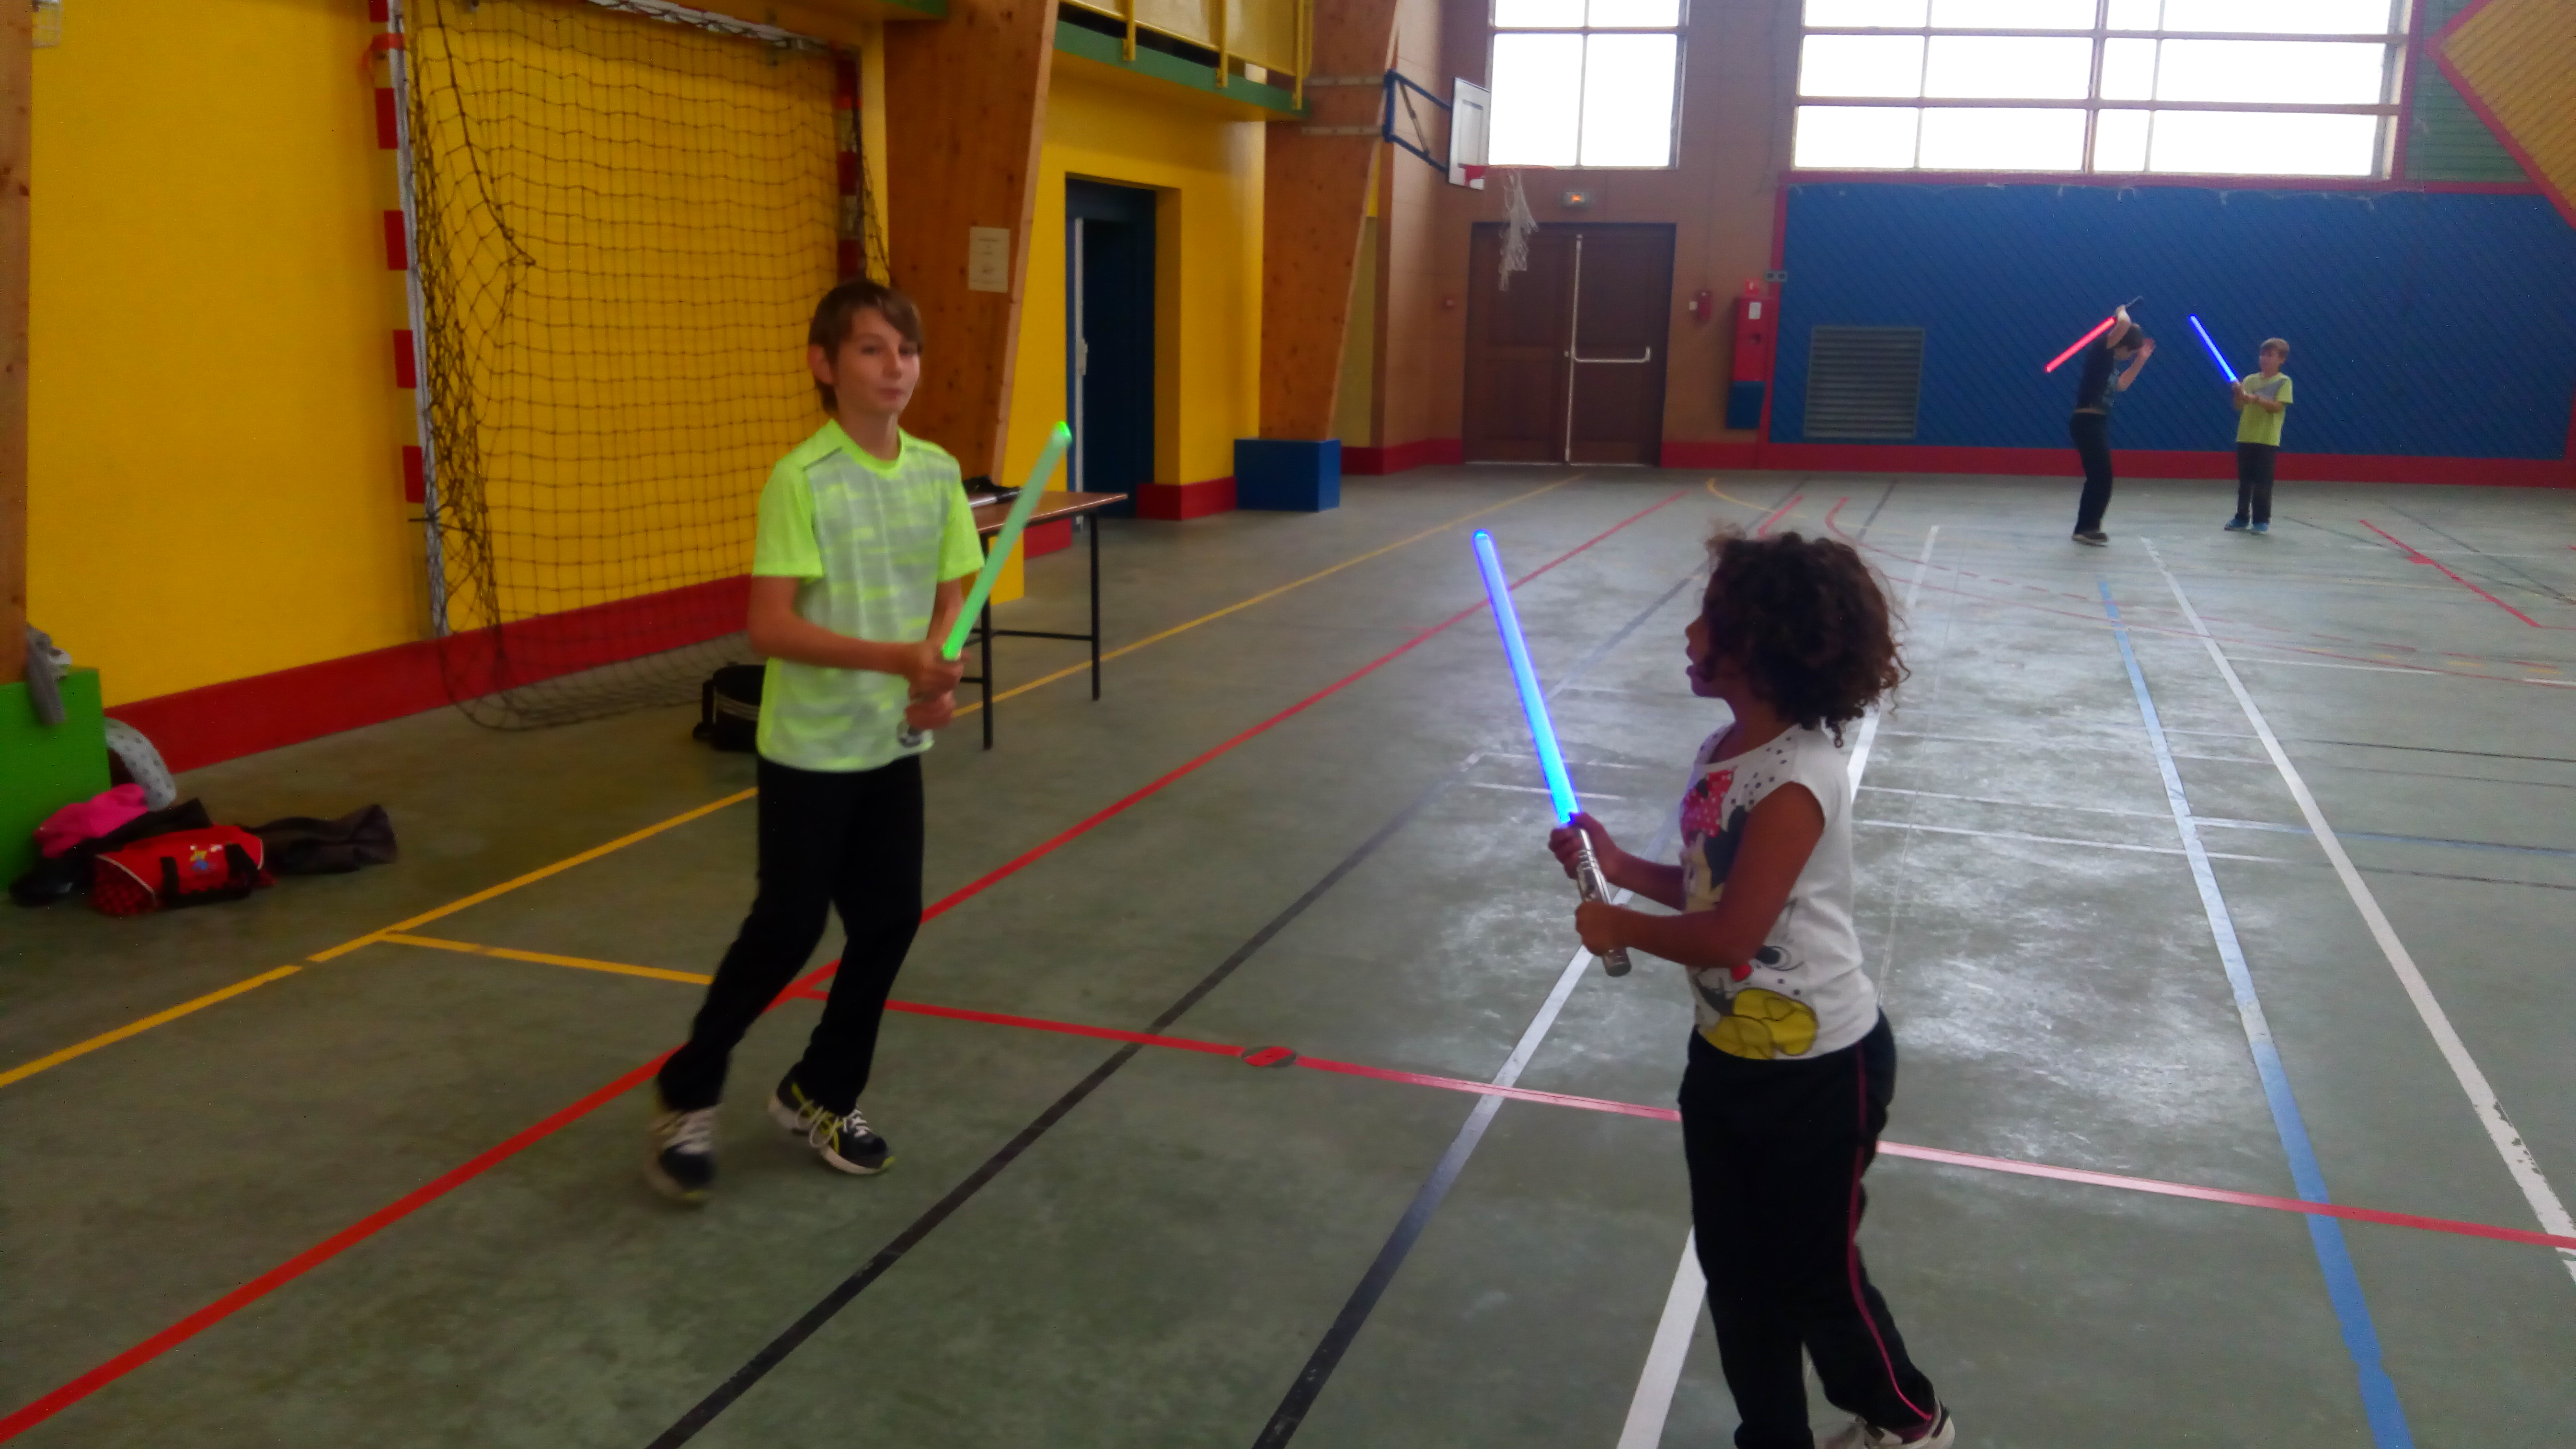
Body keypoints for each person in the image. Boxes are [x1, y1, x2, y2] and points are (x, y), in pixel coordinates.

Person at [1552, 529, 1951, 1449]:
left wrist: (1620, 927)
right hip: (1728, 1058)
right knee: (1735, 1270)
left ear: (1761, 645)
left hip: (1820, 1071)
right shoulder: (1725, 749)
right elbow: (1711, 892)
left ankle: (1910, 1420)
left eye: (1710, 619)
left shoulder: (1798, 780)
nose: (1690, 633)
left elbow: (1733, 937)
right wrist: (1619, 866)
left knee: (1816, 1274)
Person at [645, 277, 982, 1202]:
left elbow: (952, 591)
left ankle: (821, 1090)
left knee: (890, 918)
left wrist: (939, 673)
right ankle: (690, 1083)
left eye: (906, 349)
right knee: (788, 927)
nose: (895, 366)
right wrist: (895, 659)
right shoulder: (802, 479)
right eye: (872, 348)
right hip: (810, 749)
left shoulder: (938, 472)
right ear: (823, 366)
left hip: (890, 746)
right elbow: (770, 626)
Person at [2069, 307, 2155, 547]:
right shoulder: (2101, 351)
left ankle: (2088, 526)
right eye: (2131, 351)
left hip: (2097, 422)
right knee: (2101, 476)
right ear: (2123, 344)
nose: (2130, 355)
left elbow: (2122, 384)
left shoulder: (2111, 364)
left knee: (2100, 476)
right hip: (2087, 422)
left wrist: (2141, 360)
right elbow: (2124, 325)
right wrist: (2122, 311)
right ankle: (2086, 528)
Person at [2225, 338, 2294, 534]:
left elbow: (2277, 407)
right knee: (2245, 482)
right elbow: (2239, 406)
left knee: (2263, 482)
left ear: (2281, 360)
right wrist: (2238, 394)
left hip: (2267, 440)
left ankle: (2261, 520)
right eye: (2263, 354)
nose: (2265, 359)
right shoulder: (2250, 380)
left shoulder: (2284, 382)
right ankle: (2241, 517)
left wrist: (2256, 399)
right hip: (2246, 437)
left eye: (2271, 355)